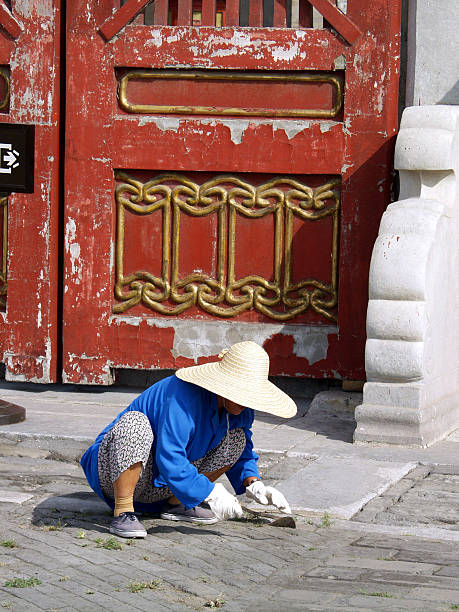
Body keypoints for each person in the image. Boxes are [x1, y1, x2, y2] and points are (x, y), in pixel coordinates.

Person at [80, 341, 297, 538]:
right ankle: (124, 511)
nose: (245, 401)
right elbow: (169, 456)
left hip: (162, 487)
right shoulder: (183, 395)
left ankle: (177, 503)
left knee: (237, 440)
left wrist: (254, 483)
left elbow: (244, 451)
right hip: (112, 473)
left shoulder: (241, 410)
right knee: (135, 424)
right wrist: (209, 492)